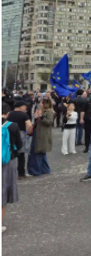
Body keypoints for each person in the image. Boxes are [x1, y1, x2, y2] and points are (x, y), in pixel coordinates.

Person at [2, 102, 23, 233]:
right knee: (3, 190)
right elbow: (19, 145)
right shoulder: (13, 126)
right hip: (7, 161)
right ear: (7, 113)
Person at [27, 98, 54, 176]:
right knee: (42, 153)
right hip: (38, 133)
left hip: (42, 135)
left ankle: (35, 171)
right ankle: (45, 169)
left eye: (41, 103)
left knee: (37, 153)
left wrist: (41, 117)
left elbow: (49, 122)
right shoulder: (43, 112)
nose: (40, 105)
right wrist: (36, 117)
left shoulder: (49, 112)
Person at [7, 102, 32, 178]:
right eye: (24, 106)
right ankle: (21, 173)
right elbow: (29, 125)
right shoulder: (24, 114)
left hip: (9, 134)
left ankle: (10, 173)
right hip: (21, 133)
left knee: (11, 153)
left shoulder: (9, 114)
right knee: (21, 154)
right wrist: (28, 132)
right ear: (20, 107)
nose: (25, 108)